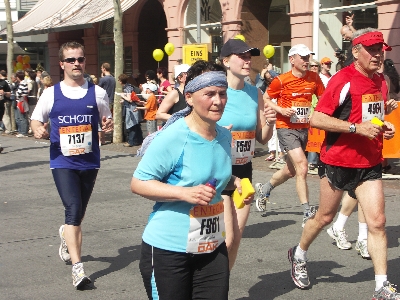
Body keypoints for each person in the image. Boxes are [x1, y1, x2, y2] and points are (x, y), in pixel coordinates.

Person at [287, 29, 400, 299]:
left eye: (380, 50)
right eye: (371, 50)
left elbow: (372, 114)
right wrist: (355, 129)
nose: (377, 55)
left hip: (369, 162)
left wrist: (383, 125)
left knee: (378, 222)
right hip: (338, 160)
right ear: (355, 51)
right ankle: (299, 254)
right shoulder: (342, 79)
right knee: (324, 217)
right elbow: (316, 118)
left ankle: (381, 286)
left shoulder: (381, 81)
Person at [131, 60, 243, 299]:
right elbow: (138, 182)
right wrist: (184, 193)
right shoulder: (173, 137)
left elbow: (212, 177)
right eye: (209, 94)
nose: (218, 101)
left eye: (222, 94)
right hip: (168, 250)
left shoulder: (223, 135)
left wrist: (235, 182)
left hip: (211, 245)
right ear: (189, 97)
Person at [30, 41, 113, 289]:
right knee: (73, 209)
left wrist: (106, 129)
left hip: (89, 161)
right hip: (62, 161)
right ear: (62, 64)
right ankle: (78, 269)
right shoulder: (51, 94)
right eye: (71, 60)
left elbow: (104, 123)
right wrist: (39, 132)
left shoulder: (97, 92)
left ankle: (66, 235)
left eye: (80, 59)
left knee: (78, 213)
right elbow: (36, 121)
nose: (77, 64)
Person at [218, 39, 276, 270]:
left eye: (249, 56)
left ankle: (221, 289)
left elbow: (262, 137)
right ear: (225, 61)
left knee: (236, 239)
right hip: (219, 172)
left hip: (244, 172)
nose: (247, 60)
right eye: (241, 56)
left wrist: (270, 122)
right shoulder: (217, 92)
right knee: (226, 238)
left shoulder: (256, 93)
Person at [254, 44, 325, 227]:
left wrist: (315, 113)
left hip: (304, 128)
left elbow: (324, 100)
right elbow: (266, 98)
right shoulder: (282, 80)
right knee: (302, 166)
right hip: (286, 127)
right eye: (302, 57)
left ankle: (264, 189)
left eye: (308, 56)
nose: (306, 60)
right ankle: (307, 211)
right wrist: (280, 110)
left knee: (290, 170)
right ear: (292, 59)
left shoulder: (314, 78)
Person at [118, 73, 143, 147]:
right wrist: (123, 101)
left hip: (131, 108)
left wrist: (122, 96)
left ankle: (131, 142)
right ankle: (139, 140)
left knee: (132, 125)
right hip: (132, 107)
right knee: (136, 125)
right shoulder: (129, 86)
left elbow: (129, 99)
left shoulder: (127, 88)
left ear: (121, 81)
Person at [15, 70, 29, 137]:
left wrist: (16, 93)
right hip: (21, 100)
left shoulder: (22, 83)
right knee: (21, 116)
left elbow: (19, 93)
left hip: (21, 100)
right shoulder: (23, 82)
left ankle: (23, 132)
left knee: (22, 117)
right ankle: (22, 131)